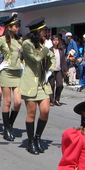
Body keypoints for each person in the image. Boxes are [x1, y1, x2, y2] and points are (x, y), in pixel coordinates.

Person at [18, 18, 55, 155]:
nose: (45, 33)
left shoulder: (42, 44)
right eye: (43, 30)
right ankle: (30, 141)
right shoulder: (27, 44)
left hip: (41, 82)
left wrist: (48, 71)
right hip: (30, 82)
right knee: (32, 113)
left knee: (45, 111)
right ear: (37, 31)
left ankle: (38, 137)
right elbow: (36, 58)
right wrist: (46, 48)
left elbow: (52, 57)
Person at [49, 34, 67, 106]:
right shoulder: (49, 50)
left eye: (57, 40)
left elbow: (63, 61)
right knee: (51, 85)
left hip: (59, 69)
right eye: (54, 40)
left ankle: (57, 99)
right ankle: (51, 100)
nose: (55, 42)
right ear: (52, 41)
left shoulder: (61, 50)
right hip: (51, 70)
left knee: (60, 85)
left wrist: (66, 70)